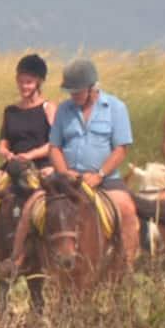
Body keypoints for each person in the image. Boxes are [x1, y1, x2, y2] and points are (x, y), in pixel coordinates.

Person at [47, 59, 142, 271]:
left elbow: (120, 149)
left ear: (92, 89)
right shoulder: (64, 110)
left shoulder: (116, 108)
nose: (73, 96)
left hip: (105, 179)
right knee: (33, 205)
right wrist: (64, 173)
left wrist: (99, 175)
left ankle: (126, 265)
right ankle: (23, 259)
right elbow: (54, 147)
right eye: (71, 92)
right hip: (68, 180)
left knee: (126, 209)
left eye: (78, 92)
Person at [0, 53, 58, 248]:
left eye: (28, 82)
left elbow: (54, 143)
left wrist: (30, 155)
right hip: (13, 164)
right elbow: (3, 141)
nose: (23, 86)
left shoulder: (48, 107)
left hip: (39, 164)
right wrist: (6, 152)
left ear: (39, 82)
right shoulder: (10, 110)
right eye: (20, 81)